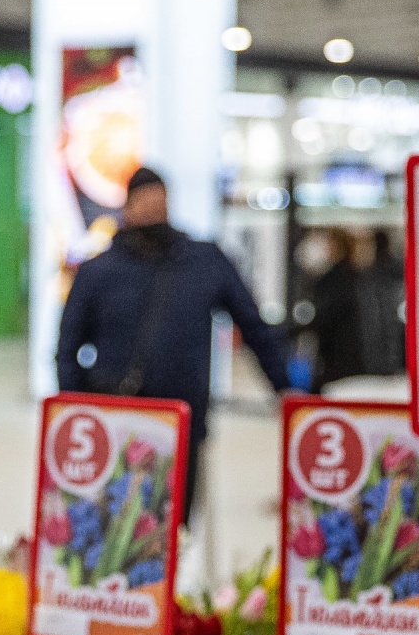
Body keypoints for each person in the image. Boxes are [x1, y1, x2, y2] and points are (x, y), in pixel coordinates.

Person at [55, 166, 294, 519]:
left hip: (182, 420)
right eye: (144, 200)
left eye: (159, 199)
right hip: (114, 421)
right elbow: (68, 347)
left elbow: (254, 327)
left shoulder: (204, 261)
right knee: (110, 525)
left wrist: (284, 389)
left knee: (174, 524)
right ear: (128, 207)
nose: (153, 208)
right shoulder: (98, 271)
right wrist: (74, 412)